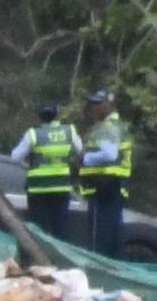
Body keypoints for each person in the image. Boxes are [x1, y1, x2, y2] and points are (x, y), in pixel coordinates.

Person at [76, 90, 137, 260]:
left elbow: (110, 154)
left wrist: (86, 158)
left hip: (103, 187)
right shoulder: (118, 126)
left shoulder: (106, 128)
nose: (93, 108)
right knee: (113, 235)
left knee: (99, 239)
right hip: (113, 187)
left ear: (108, 105)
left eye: (96, 104)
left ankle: (100, 272)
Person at [15, 104, 81, 244]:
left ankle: (42, 262)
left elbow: (15, 157)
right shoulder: (69, 131)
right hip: (61, 187)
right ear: (57, 115)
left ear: (41, 117)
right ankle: (61, 261)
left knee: (40, 231)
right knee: (61, 229)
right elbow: (80, 150)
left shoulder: (33, 134)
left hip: (38, 189)